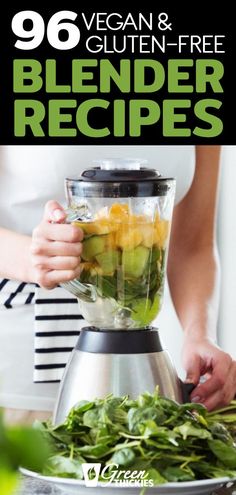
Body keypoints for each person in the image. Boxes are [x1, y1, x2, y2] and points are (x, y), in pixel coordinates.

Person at [0, 144, 235, 424]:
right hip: (20, 382)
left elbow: (193, 244)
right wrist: (33, 257)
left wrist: (199, 335)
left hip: (141, 387)